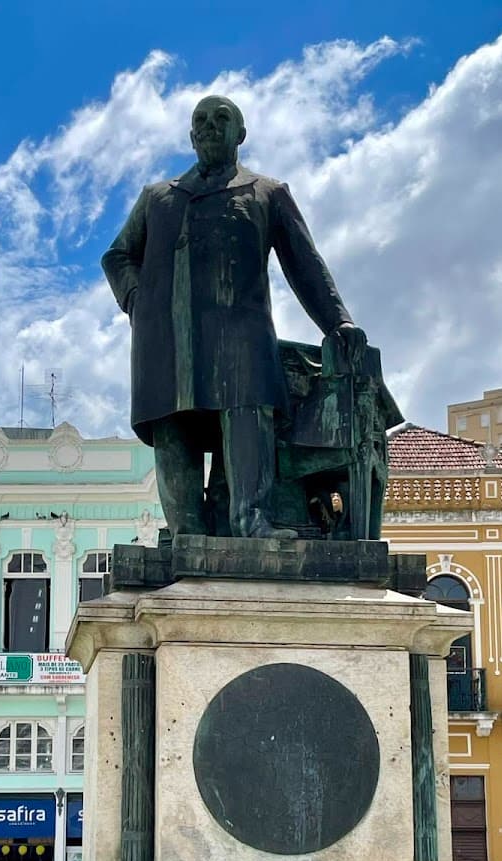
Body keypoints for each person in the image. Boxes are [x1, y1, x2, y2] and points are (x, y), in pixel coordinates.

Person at [102, 95, 366, 541]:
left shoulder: (267, 193)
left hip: (240, 333)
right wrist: (137, 300)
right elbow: (118, 255)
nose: (208, 126)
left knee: (248, 416)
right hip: (167, 337)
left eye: (220, 118)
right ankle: (187, 534)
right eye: (200, 121)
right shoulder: (157, 198)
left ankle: (252, 522)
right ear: (190, 136)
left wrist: (337, 321)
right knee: (173, 424)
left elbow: (304, 263)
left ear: (239, 134)